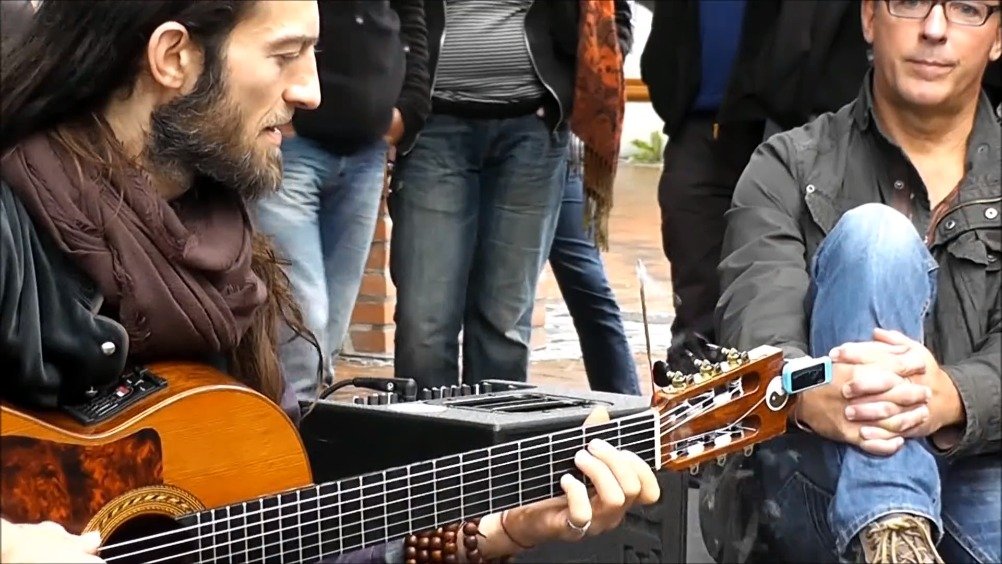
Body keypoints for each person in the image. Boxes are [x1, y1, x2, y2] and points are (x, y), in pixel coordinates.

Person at [0, 1, 660, 562]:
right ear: (174, 57)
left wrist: (493, 531)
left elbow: (286, 520)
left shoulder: (227, 253)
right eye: (286, 54)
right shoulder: (12, 223)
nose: (311, 91)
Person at [711, 0, 1001, 562]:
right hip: (811, 476)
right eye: (911, 3)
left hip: (977, 467)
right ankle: (893, 518)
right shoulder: (787, 165)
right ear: (869, 18)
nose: (935, 30)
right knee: (876, 238)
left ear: (997, 37)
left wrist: (951, 397)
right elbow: (757, 325)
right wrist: (805, 390)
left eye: (966, 7)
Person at [388, 0, 633, 390]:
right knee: (425, 324)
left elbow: (614, 16)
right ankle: (428, 447)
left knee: (504, 323)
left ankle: (493, 447)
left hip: (532, 132)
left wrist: (573, 90)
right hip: (434, 129)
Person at [639, 0, 870, 344]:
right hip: (698, 131)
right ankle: (702, 388)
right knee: (696, 318)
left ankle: (784, 391)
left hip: (786, 125)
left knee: (782, 301)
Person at [254, 0, 429, 402]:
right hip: (294, 147)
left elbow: (416, 17)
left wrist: (409, 108)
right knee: (303, 317)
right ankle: (293, 444)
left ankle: (311, 431)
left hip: (367, 149)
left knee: (331, 321)